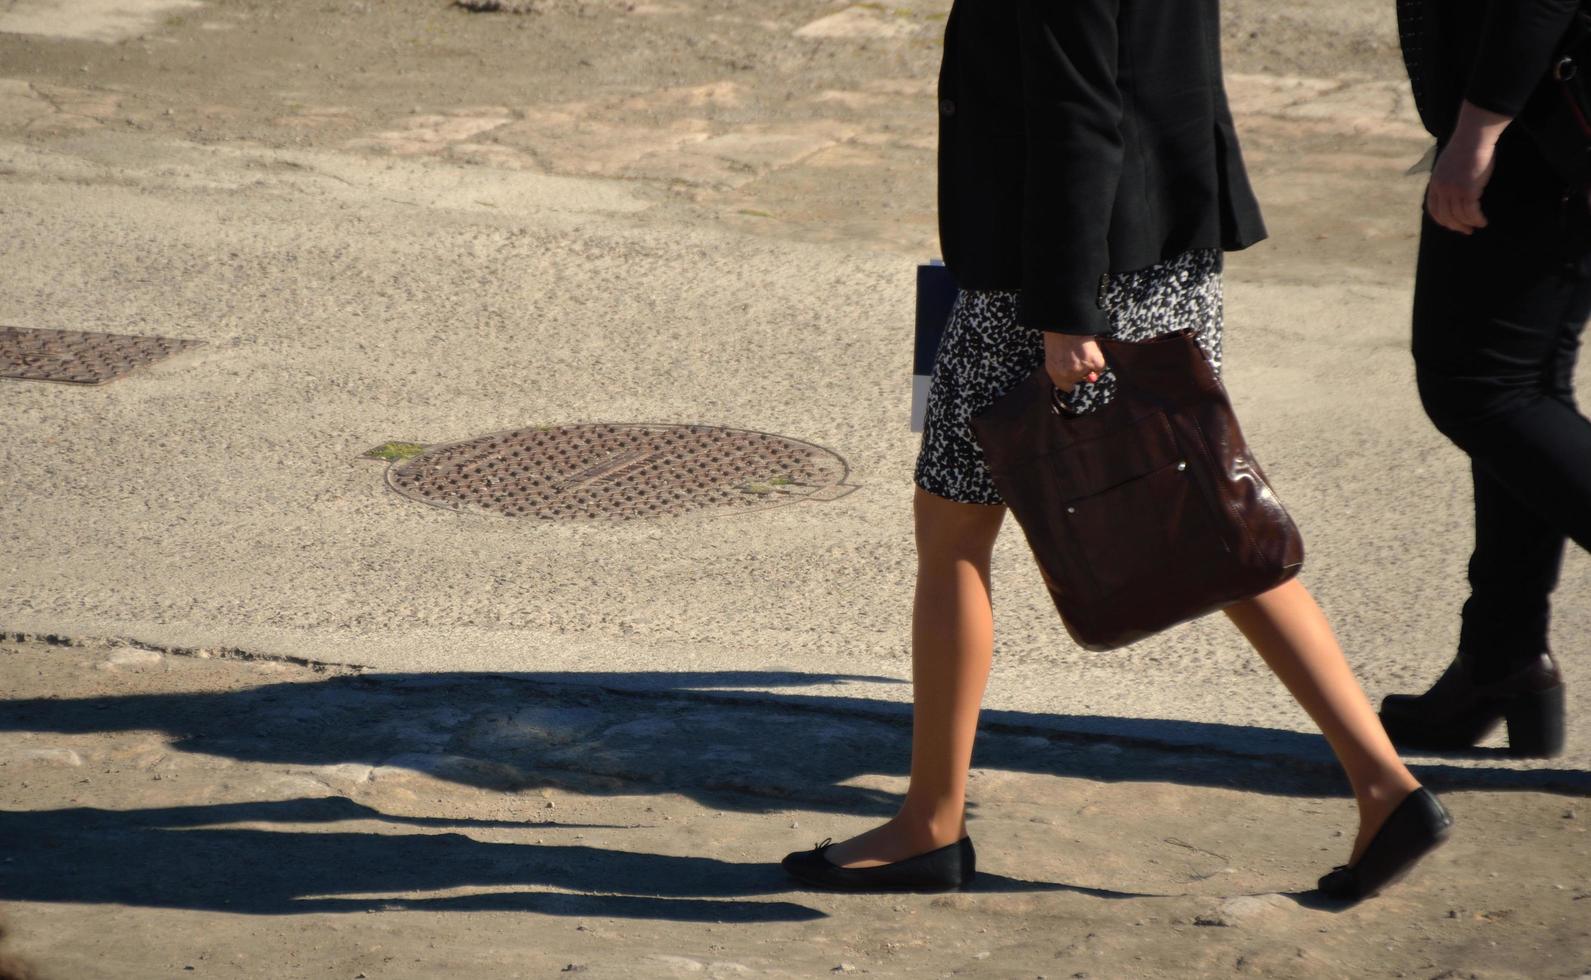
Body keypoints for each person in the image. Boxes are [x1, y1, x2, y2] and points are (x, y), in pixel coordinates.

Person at [781, 0, 1452, 901]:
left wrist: (1066, 313)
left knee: (953, 532)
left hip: (1059, 274)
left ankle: (929, 824)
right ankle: (1383, 784)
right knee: (1211, 521)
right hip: (1158, 241)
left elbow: (1077, 108)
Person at [1378, 0, 1588, 758]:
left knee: (1478, 388)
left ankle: (1502, 662)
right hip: (1544, 126)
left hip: (1535, 132)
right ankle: (1502, 660)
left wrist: (1478, 128)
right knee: (1518, 391)